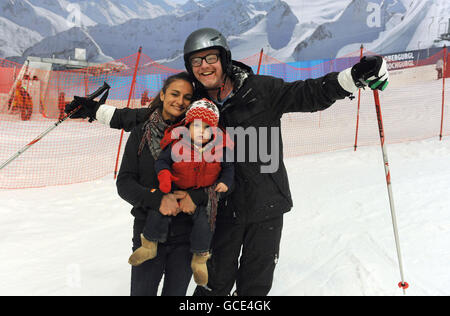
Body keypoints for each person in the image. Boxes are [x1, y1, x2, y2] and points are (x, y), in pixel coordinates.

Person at [66, 27, 389, 296]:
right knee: (213, 284)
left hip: (267, 205)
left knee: (255, 285)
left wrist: (353, 77)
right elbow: (147, 116)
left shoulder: (262, 90)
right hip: (221, 206)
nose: (204, 66)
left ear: (224, 59)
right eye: (196, 61)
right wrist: (96, 112)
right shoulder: (196, 101)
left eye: (210, 58)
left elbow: (309, 93)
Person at [114, 71, 208, 296]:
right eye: (175, 94)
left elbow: (216, 182)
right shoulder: (141, 134)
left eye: (187, 97)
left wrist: (195, 198)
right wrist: (158, 199)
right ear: (163, 95)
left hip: (186, 235)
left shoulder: (201, 137)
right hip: (148, 231)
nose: (180, 101)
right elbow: (125, 182)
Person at [128, 98, 234, 287]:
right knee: (159, 211)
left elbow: (228, 168)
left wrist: (225, 182)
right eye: (197, 126)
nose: (202, 132)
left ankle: (200, 259)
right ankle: (149, 245)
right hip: (175, 189)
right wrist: (165, 176)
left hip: (201, 195)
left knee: (205, 222)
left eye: (208, 128)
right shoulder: (177, 144)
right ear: (187, 126)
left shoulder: (219, 148)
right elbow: (162, 161)